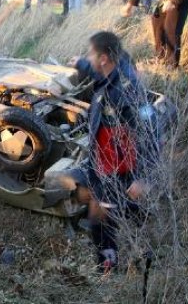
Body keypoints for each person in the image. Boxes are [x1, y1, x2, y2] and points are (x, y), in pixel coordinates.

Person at [61, 32, 154, 273]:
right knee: (120, 216)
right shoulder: (114, 71)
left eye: (90, 54)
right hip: (105, 164)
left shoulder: (126, 91)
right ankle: (140, 254)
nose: (88, 57)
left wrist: (142, 177)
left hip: (117, 170)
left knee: (101, 224)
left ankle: (108, 271)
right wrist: (81, 63)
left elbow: (149, 131)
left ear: (103, 57)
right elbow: (97, 75)